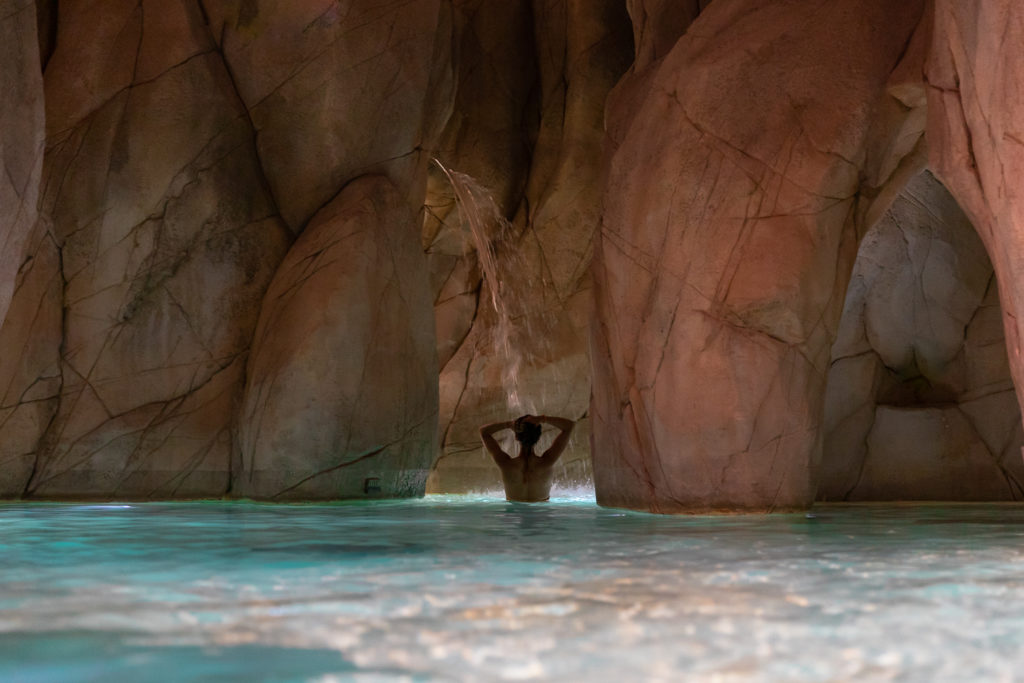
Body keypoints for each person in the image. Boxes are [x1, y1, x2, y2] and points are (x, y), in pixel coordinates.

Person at [479, 414, 575, 502]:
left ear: (516, 436)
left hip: (514, 516)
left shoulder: (505, 463)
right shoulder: (547, 461)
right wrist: (542, 419)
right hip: (541, 515)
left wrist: (508, 424)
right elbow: (569, 426)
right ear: (538, 437)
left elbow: (484, 432)